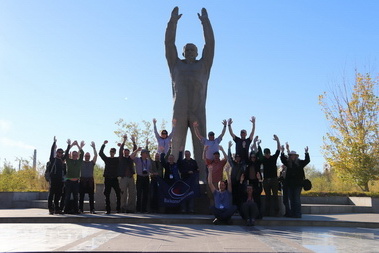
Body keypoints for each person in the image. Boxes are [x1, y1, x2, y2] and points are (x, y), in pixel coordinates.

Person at [165, 7, 215, 182]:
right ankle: (173, 177)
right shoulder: (175, 65)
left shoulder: (204, 66)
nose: (191, 52)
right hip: (179, 111)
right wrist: (173, 22)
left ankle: (203, 179)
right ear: (183, 52)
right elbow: (169, 44)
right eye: (188, 49)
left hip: (197, 111)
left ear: (198, 53)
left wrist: (205, 22)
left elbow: (210, 44)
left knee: (201, 147)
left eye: (194, 50)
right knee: (176, 146)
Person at [280, 145, 310, 218]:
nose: (292, 157)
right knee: (291, 199)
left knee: (296, 199)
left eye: (294, 156)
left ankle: (298, 213)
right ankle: (293, 213)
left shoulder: (300, 163)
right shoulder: (288, 163)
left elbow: (307, 161)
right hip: (290, 184)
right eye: (291, 156)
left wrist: (306, 153)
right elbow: (283, 160)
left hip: (298, 184)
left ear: (296, 156)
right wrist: (282, 151)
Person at [257, 134, 281, 217]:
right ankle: (267, 212)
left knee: (275, 195)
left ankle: (276, 211)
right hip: (266, 180)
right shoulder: (263, 159)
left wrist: (277, 140)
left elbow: (278, 150)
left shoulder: (273, 158)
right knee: (267, 196)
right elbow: (259, 154)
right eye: (266, 154)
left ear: (270, 153)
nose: (267, 155)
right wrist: (258, 144)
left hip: (274, 179)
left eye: (268, 153)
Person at [47, 136, 68, 215]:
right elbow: (51, 151)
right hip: (53, 179)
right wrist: (54, 143)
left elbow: (66, 154)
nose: (60, 154)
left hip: (60, 180)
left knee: (58, 195)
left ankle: (57, 208)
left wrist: (69, 145)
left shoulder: (62, 160)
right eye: (59, 152)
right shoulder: (53, 159)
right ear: (56, 153)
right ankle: (50, 208)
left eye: (61, 153)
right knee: (51, 195)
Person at [244, 136, 263, 219]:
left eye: (254, 157)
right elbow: (246, 154)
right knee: (248, 197)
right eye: (252, 157)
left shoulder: (258, 163)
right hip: (249, 181)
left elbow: (259, 153)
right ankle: (248, 214)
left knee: (257, 197)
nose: (253, 158)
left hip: (256, 181)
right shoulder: (249, 163)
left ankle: (258, 214)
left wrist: (256, 143)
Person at [100, 140, 121, 214]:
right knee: (107, 194)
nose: (112, 153)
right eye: (111, 151)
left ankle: (118, 209)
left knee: (118, 193)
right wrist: (103, 145)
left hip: (114, 178)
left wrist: (121, 147)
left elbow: (121, 155)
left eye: (113, 152)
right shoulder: (107, 159)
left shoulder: (117, 159)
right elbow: (101, 154)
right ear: (110, 152)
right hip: (108, 178)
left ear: (115, 153)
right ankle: (108, 210)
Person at [64, 140, 84, 214]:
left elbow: (83, 153)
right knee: (67, 196)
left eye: (76, 154)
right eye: (73, 154)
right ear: (71, 155)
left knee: (76, 197)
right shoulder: (69, 161)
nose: (75, 155)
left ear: (77, 155)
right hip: (69, 181)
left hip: (76, 182)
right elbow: (65, 153)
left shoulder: (79, 161)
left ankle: (76, 210)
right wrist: (71, 145)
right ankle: (65, 210)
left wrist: (78, 145)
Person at [118, 135, 138, 213]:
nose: (126, 153)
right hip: (123, 178)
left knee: (132, 193)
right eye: (125, 152)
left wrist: (133, 141)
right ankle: (122, 207)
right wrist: (124, 141)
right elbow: (120, 150)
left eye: (127, 152)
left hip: (130, 177)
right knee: (123, 193)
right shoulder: (121, 158)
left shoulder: (130, 159)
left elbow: (135, 150)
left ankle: (130, 208)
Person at [177, 148, 199, 213]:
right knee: (183, 195)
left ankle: (191, 209)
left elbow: (196, 169)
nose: (187, 155)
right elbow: (180, 168)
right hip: (184, 180)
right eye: (186, 154)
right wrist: (180, 152)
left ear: (190, 154)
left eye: (188, 154)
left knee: (191, 195)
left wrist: (195, 171)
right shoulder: (182, 162)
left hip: (192, 182)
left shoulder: (193, 162)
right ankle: (183, 209)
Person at [79, 141, 97, 214]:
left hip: (90, 181)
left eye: (88, 156)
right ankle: (80, 209)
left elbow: (96, 155)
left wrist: (94, 147)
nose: (87, 157)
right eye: (86, 156)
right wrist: (81, 147)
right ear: (84, 157)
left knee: (91, 197)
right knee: (81, 197)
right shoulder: (81, 162)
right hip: (82, 181)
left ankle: (92, 209)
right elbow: (77, 155)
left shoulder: (92, 163)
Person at [227, 141, 246, 209]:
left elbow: (245, 155)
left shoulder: (242, 164)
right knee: (233, 195)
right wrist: (229, 148)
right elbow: (229, 157)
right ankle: (234, 208)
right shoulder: (233, 164)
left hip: (240, 183)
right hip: (233, 182)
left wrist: (244, 147)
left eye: (239, 157)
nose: (237, 158)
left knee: (240, 196)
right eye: (236, 157)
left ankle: (239, 209)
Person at [133, 147, 152, 213]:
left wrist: (149, 172)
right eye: (146, 153)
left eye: (147, 153)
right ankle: (138, 209)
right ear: (142, 154)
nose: (147, 154)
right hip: (140, 177)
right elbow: (131, 157)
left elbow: (150, 170)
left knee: (145, 194)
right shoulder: (137, 159)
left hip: (146, 178)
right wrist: (137, 150)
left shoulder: (149, 161)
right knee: (139, 193)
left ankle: (144, 209)